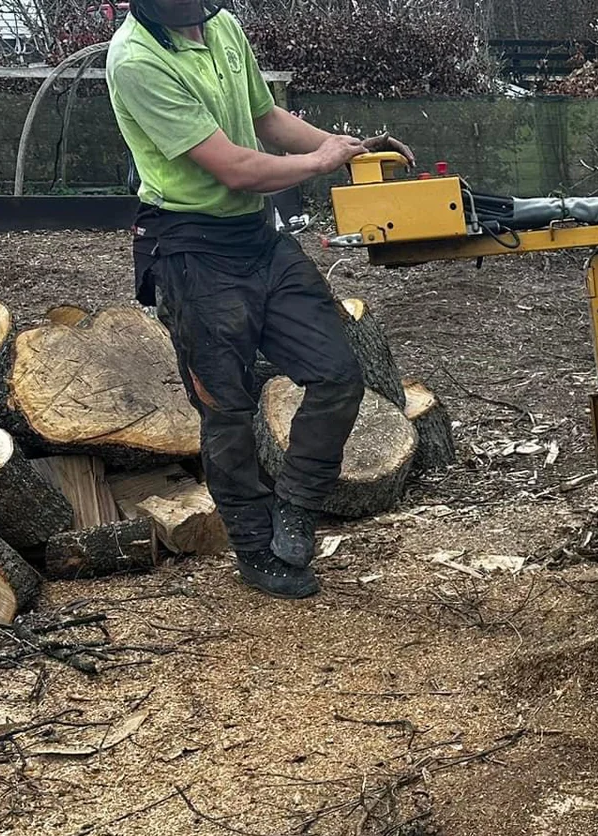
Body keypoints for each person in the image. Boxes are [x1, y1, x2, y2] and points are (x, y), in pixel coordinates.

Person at [105, 0, 414, 597]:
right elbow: (237, 169)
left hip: (257, 237)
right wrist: (319, 163)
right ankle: (254, 547)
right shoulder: (135, 61)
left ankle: (296, 508)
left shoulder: (220, 25)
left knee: (338, 372)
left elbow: (266, 116)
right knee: (227, 409)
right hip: (191, 247)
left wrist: (344, 147)